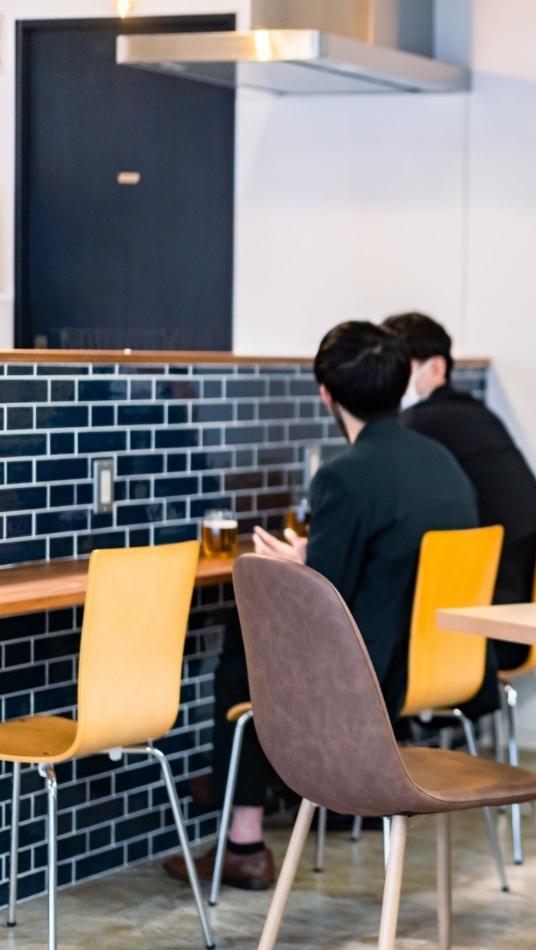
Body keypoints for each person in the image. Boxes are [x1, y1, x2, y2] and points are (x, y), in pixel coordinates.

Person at [166, 321, 477, 890]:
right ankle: (248, 782)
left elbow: (322, 606)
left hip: (373, 680)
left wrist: (293, 569)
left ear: (326, 394)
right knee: (263, 654)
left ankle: (243, 837)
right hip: (443, 670)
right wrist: (314, 555)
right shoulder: (443, 462)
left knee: (249, 655)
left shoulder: (344, 477)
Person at [384, 311, 536, 686]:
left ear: (436, 367)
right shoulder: (478, 414)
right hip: (532, 610)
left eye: (400, 367)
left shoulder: (418, 425)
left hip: (487, 623)